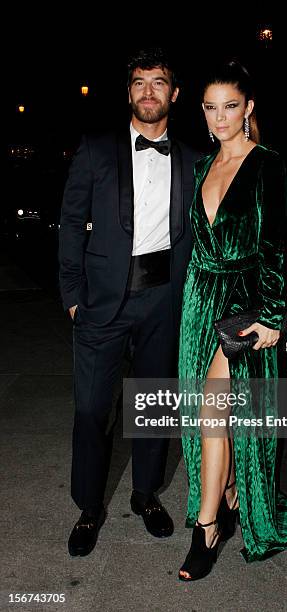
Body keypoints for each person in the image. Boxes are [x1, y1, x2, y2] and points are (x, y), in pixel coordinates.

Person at [58, 47, 200, 557]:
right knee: (93, 409)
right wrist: (72, 294)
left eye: (157, 82)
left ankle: (145, 495)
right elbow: (72, 223)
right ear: (129, 92)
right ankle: (89, 506)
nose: (147, 91)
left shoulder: (190, 160)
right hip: (101, 302)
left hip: (163, 300)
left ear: (174, 93)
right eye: (139, 82)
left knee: (153, 405)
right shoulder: (96, 150)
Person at [178, 60, 287, 581]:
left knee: (216, 407)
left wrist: (274, 314)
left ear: (248, 108)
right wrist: (189, 306)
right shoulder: (202, 165)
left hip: (244, 300)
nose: (219, 117)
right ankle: (229, 492)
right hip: (201, 297)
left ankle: (207, 525)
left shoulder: (267, 165)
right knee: (209, 414)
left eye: (229, 106)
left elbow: (276, 246)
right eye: (210, 107)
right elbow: (197, 243)